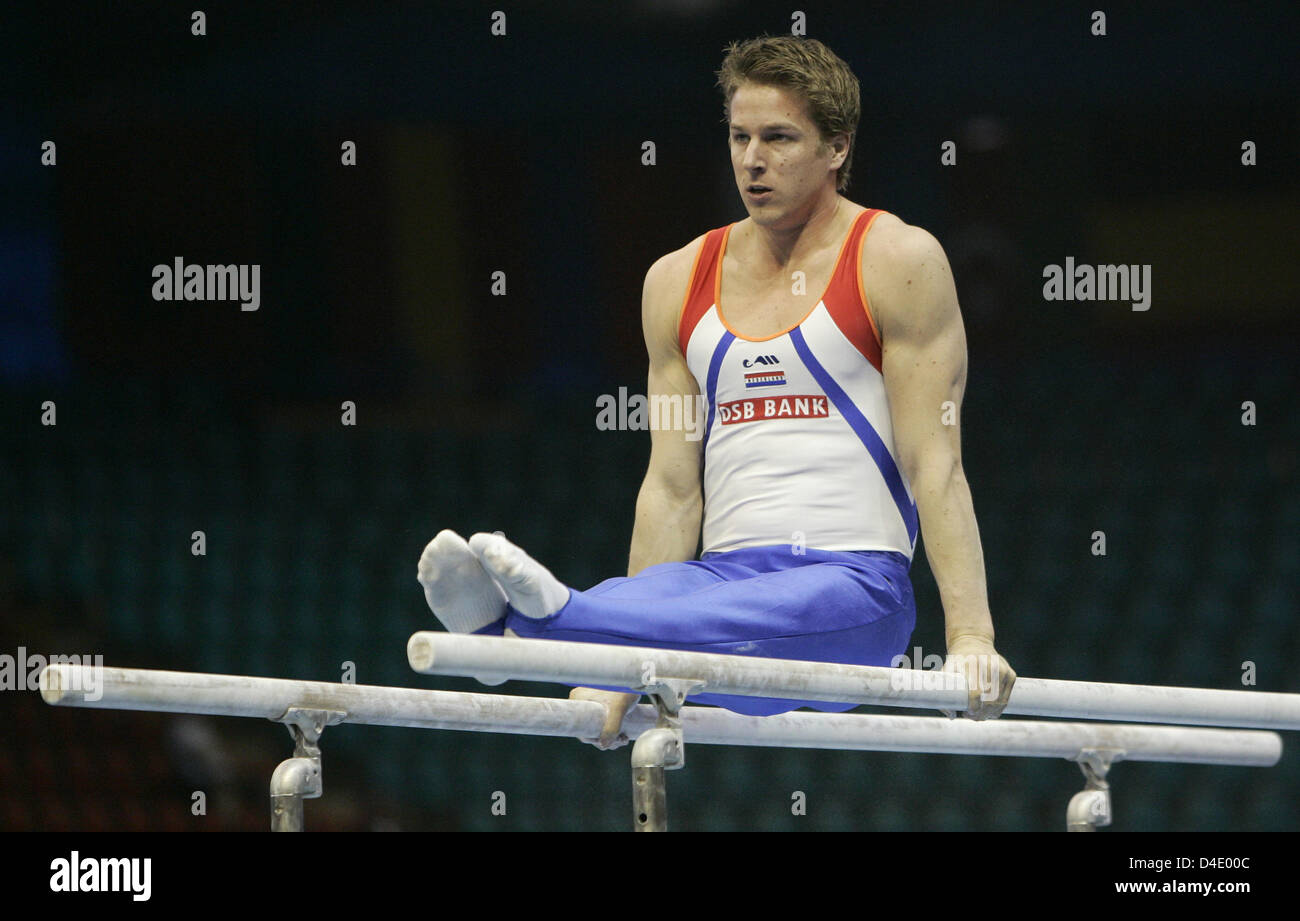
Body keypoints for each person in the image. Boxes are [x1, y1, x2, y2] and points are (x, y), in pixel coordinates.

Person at [417, 35, 1015, 748]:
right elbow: (671, 488)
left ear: (837, 148)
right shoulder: (675, 281)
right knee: (675, 610)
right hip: (714, 582)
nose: (752, 159)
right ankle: (569, 633)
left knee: (740, 617)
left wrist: (972, 636)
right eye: (739, 136)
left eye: (780, 137)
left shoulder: (897, 261)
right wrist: (621, 675)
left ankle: (531, 632)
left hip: (850, 592)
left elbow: (935, 462)